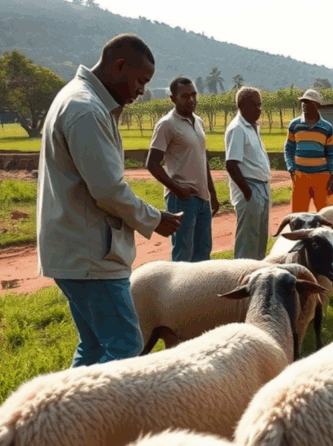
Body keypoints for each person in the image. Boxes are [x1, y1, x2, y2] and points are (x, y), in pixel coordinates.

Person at [36, 33, 182, 367]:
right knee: (126, 348)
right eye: (141, 80)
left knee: (95, 348)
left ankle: (67, 417)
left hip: (80, 249)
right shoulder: (86, 109)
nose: (142, 90)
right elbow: (107, 190)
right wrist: (154, 219)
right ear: (119, 66)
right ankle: (104, 418)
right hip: (91, 256)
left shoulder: (84, 101)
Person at [145, 76, 219, 262]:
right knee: (183, 256)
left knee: (203, 255)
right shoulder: (167, 124)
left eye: (194, 94)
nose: (191, 100)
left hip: (203, 198)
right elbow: (152, 163)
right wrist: (178, 189)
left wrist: (212, 193)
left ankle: (200, 292)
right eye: (185, 96)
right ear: (173, 98)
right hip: (182, 199)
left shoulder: (199, 121)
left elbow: (203, 159)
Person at [225, 86, 272, 260]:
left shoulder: (252, 126)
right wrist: (248, 192)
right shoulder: (238, 128)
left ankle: (257, 278)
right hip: (250, 187)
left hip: (262, 186)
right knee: (248, 240)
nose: (259, 110)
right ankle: (242, 280)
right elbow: (231, 164)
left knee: (260, 239)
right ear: (242, 106)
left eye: (260, 105)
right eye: (255, 106)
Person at [284, 88, 333, 212]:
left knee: (327, 214)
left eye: (309, 102)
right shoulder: (294, 125)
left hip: (322, 177)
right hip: (300, 177)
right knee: (298, 214)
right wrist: (291, 169)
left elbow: (331, 153)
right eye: (303, 102)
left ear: (317, 105)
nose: (304, 105)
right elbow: (288, 149)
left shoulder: (327, 127)